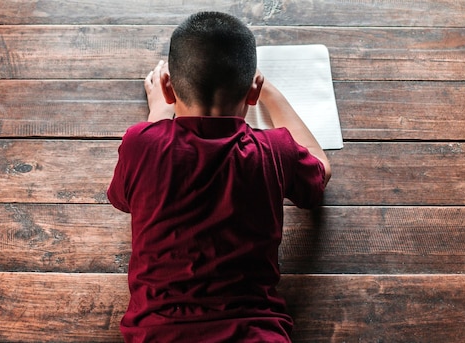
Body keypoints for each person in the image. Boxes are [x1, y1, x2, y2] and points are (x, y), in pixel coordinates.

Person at [107, 11, 331, 343]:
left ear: (168, 87)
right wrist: (270, 92)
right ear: (252, 91)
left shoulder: (142, 144)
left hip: (157, 333)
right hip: (257, 332)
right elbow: (319, 171)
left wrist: (157, 118)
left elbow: (123, 199)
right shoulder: (274, 150)